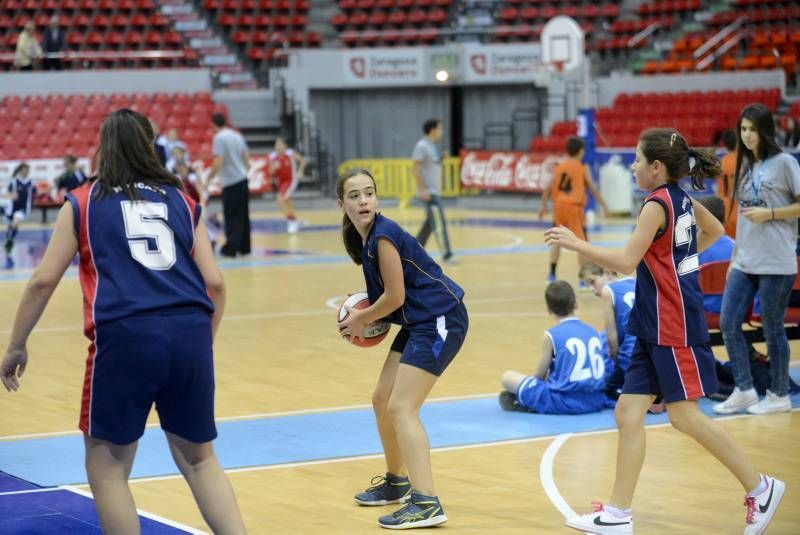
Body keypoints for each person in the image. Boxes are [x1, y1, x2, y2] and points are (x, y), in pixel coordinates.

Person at [0, 109, 246, 534]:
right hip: (189, 334)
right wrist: (202, 342)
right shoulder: (183, 201)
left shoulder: (82, 201)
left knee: (107, 468)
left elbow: (42, 281)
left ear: (103, 148)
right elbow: (215, 284)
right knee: (200, 460)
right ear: (150, 146)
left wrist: (17, 344)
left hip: (126, 336)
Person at [545, 128, 785, 535]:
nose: (633, 167)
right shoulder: (682, 199)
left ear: (656, 167)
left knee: (685, 417)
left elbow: (624, 262)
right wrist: (676, 262)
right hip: (653, 320)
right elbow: (714, 233)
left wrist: (576, 244)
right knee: (627, 412)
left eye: (638, 160)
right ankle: (619, 514)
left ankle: (759, 487)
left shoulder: (657, 205)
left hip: (673, 321)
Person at [336, 168, 468, 529]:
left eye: (369, 193)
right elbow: (390, 299)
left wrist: (363, 319)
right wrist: (364, 306)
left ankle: (427, 503)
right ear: (342, 203)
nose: (363, 201)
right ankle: (397, 483)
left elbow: (396, 296)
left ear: (376, 199)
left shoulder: (383, 237)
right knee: (382, 398)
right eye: (354, 195)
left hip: (441, 318)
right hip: (418, 321)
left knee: (402, 407)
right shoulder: (362, 240)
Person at [714, 103, 800, 416]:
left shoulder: (785, 163)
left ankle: (779, 394)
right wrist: (734, 258)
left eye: (752, 129)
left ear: (764, 130)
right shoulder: (745, 165)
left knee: (772, 327)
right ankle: (744, 389)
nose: (747, 135)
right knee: (728, 323)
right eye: (743, 129)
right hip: (745, 260)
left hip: (777, 261)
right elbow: (745, 219)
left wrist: (773, 213)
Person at [499, 280, 612, 414]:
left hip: (564, 402)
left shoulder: (551, 335)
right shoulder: (593, 331)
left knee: (507, 377)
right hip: (596, 400)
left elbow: (539, 377)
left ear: (549, 310)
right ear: (575, 303)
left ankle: (526, 401)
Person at [539, 136, 609, 285]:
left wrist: (543, 206)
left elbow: (547, 188)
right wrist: (603, 205)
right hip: (573, 208)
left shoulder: (559, 167)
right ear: (580, 151)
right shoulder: (582, 167)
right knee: (581, 243)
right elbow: (592, 187)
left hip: (558, 207)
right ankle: (583, 280)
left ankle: (551, 274)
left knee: (556, 240)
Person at [579, 262, 636, 401]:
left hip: (632, 359)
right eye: (588, 286)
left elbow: (612, 338)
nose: (592, 289)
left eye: (592, 282)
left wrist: (617, 363)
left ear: (608, 273)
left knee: (601, 389)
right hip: (656, 354)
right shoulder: (635, 282)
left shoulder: (608, 291)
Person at [413, 118, 456, 264]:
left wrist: (441, 159)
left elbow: (432, 164)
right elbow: (416, 168)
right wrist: (423, 189)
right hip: (428, 192)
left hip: (433, 191)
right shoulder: (422, 146)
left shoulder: (431, 146)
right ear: (432, 129)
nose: (441, 132)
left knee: (430, 223)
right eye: (440, 128)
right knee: (439, 222)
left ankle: (414, 251)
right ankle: (447, 254)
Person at [208, 113, 251, 257]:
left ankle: (231, 248)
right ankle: (245, 247)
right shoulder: (237, 135)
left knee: (231, 216)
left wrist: (210, 177)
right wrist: (244, 170)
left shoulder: (219, 138)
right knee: (243, 215)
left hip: (231, 182)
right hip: (243, 179)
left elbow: (219, 160)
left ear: (214, 124)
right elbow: (246, 157)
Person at [268, 137, 306, 233]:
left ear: (285, 146)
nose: (278, 147)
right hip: (281, 183)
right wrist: (274, 168)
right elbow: (270, 171)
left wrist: (300, 171)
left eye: (280, 144)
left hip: (291, 180)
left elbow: (302, 160)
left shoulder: (290, 153)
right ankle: (295, 220)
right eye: (276, 145)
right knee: (287, 201)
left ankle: (291, 221)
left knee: (280, 200)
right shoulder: (272, 156)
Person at [4, 163, 34, 255]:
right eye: (25, 169)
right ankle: (10, 240)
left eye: (28, 170)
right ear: (21, 170)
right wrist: (11, 195)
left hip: (23, 208)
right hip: (12, 208)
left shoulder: (30, 182)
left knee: (16, 221)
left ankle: (9, 240)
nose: (27, 172)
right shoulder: (14, 181)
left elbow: (35, 193)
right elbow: (7, 193)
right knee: (12, 226)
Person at [718, 129, 738, 237]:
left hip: (725, 207)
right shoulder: (742, 160)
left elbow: (720, 189)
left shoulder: (724, 161)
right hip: (737, 207)